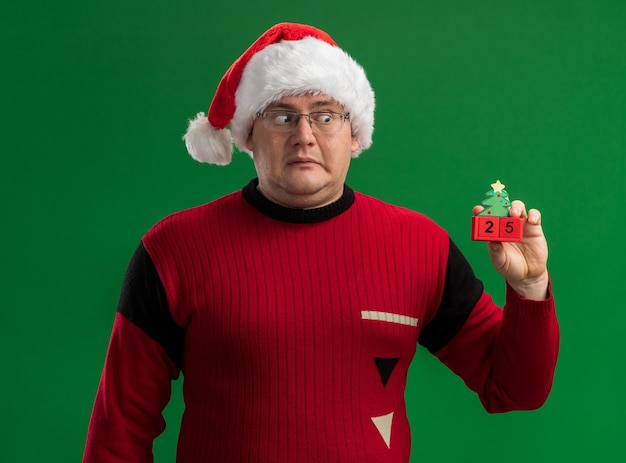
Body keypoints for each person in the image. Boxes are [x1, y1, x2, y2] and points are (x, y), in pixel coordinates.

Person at [83, 22, 559, 463]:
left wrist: (530, 287)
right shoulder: (173, 250)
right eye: (282, 117)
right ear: (249, 134)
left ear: (355, 135)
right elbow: (118, 431)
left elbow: (515, 389)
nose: (305, 136)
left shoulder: (421, 247)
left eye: (326, 116)